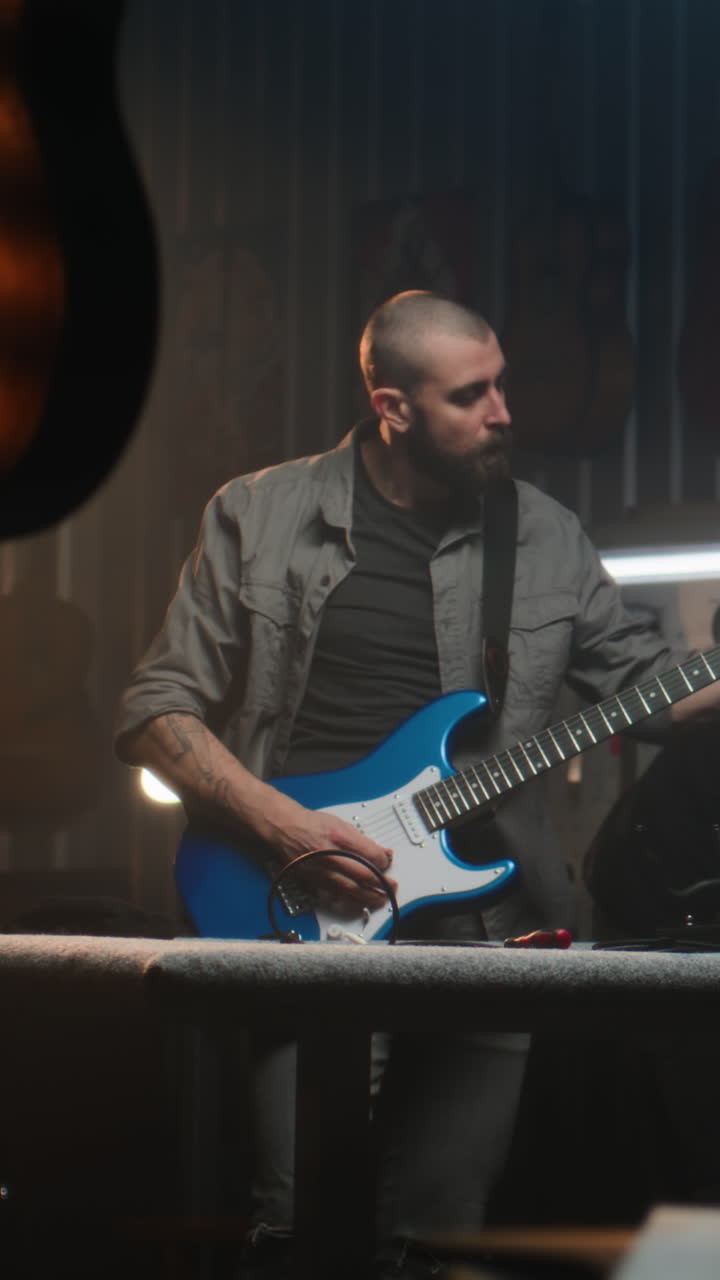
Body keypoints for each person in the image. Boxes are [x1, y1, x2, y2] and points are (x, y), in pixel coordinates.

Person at [115, 291, 720, 1279]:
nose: (504, 412)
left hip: (488, 930)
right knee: (301, 1224)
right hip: (302, 913)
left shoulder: (545, 535)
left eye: (503, 384)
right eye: (470, 395)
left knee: (441, 1235)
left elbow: (651, 689)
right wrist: (283, 827)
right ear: (391, 406)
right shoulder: (259, 515)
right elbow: (154, 705)